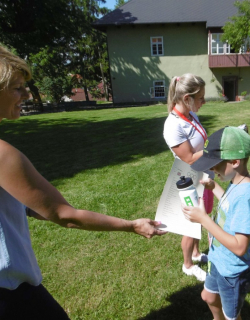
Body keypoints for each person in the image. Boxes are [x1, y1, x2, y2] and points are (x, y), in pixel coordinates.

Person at [0, 46, 166, 319]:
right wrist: (132, 225)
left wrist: (28, 206)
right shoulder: (3, 155)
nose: (27, 95)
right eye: (18, 87)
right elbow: (66, 216)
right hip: (10, 294)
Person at [182, 126, 250, 320]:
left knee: (232, 316)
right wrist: (214, 186)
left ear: (234, 162)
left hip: (233, 272)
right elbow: (228, 204)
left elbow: (240, 247)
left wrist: (204, 220)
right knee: (207, 296)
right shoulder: (236, 182)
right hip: (218, 260)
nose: (213, 170)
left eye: (215, 164)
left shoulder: (246, 197)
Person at [163, 73, 213, 281]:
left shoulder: (191, 116)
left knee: (201, 219)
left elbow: (201, 144)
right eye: (200, 97)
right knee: (190, 225)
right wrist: (217, 148)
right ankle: (188, 265)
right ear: (187, 99)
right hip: (188, 180)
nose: (203, 101)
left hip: (202, 174)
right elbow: (190, 158)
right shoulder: (173, 125)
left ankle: (195, 252)